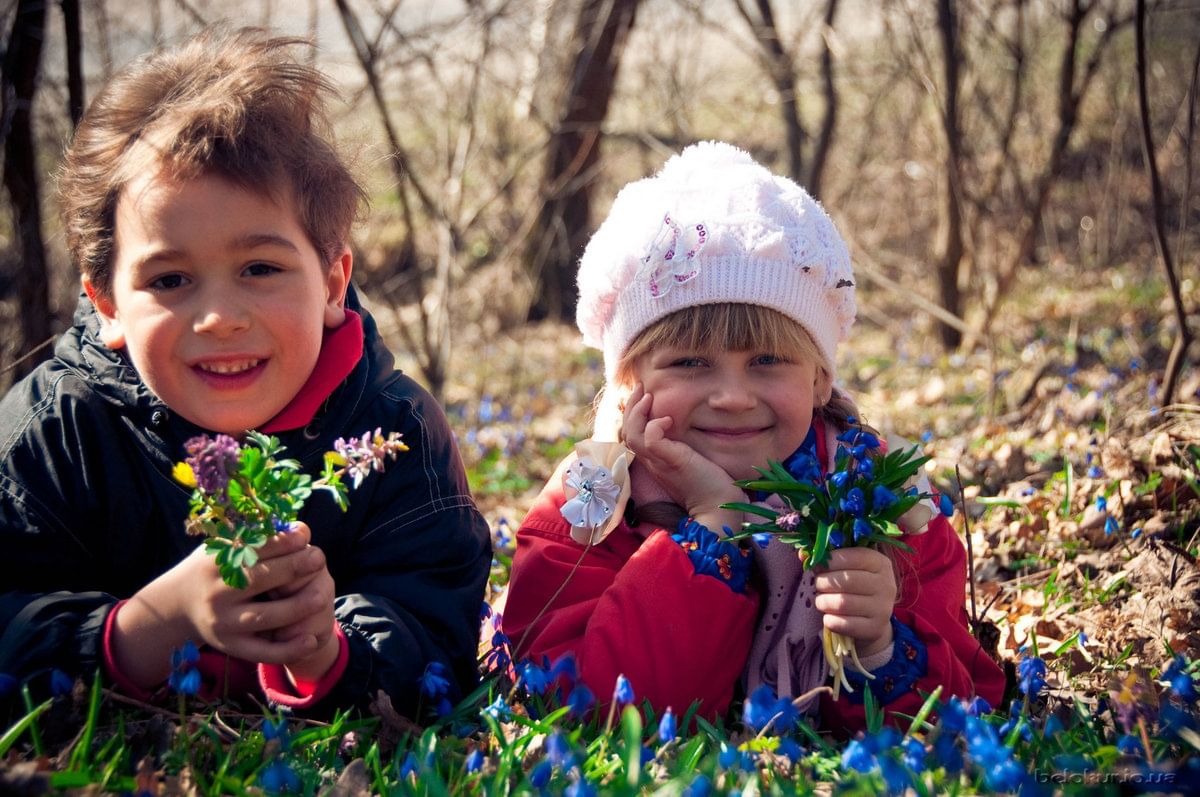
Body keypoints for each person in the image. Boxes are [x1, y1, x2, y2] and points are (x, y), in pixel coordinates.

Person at [0, 28, 491, 717]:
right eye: (170, 279)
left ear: (331, 281)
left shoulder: (392, 429)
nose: (220, 318)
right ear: (107, 302)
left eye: (260, 268)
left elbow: (437, 636)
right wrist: (148, 626)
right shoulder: (56, 428)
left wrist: (325, 649)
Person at [501, 141, 1004, 733]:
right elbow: (590, 707)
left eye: (768, 360)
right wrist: (712, 522)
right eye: (690, 363)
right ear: (631, 380)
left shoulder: (887, 501)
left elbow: (961, 713)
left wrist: (877, 645)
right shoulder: (590, 504)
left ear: (820, 380)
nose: (733, 396)